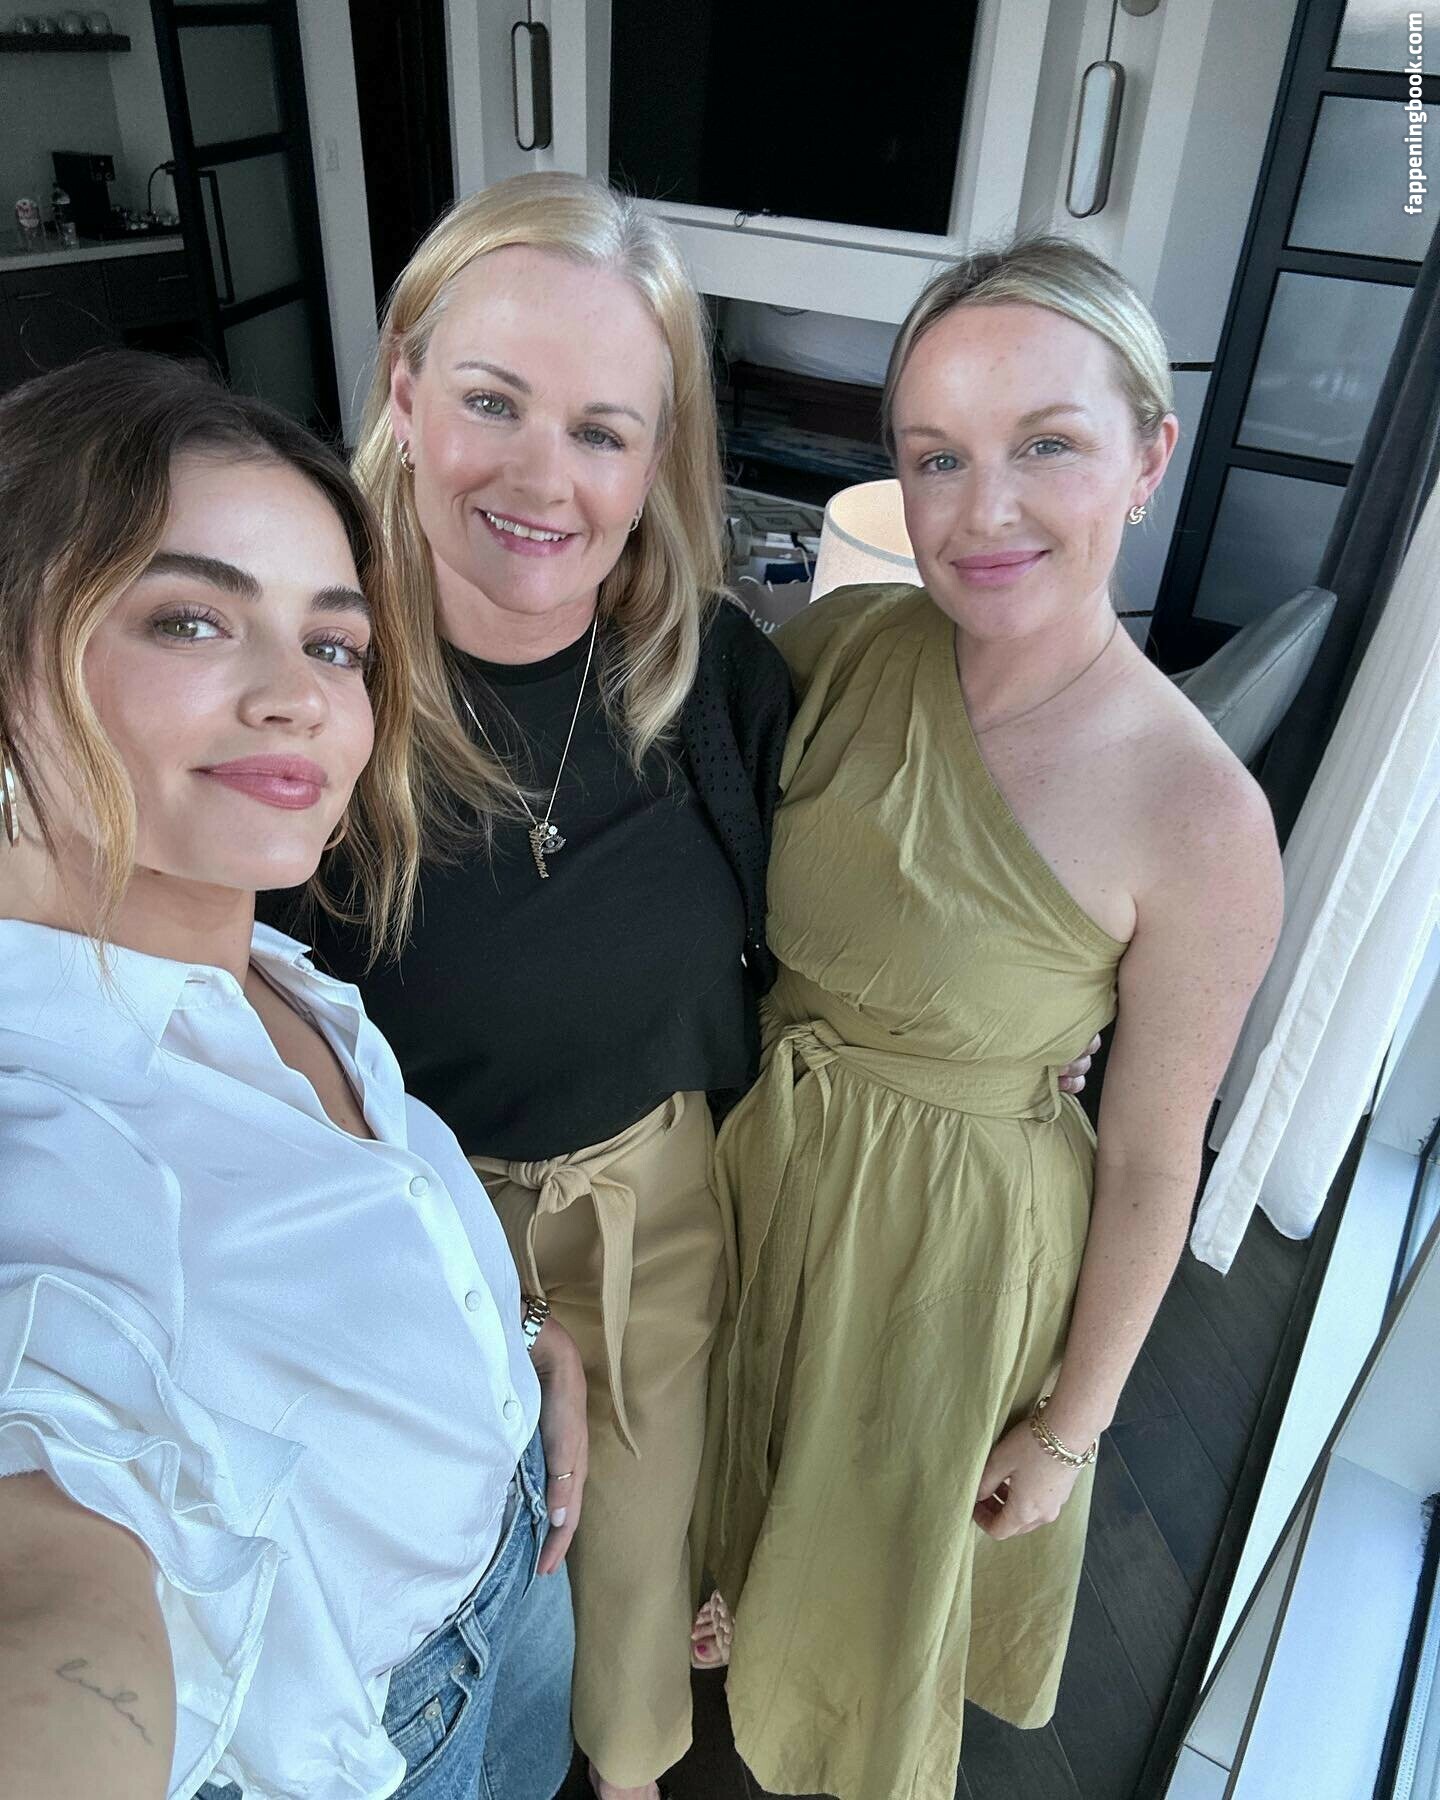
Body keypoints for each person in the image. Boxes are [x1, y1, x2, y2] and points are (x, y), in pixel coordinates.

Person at [701, 238, 1285, 1800]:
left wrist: (1071, 1430)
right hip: (759, 1173)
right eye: (937, 457)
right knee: (740, 1498)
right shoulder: (838, 649)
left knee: (869, 1572)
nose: (984, 511)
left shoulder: (1200, 817)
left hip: (948, 1256)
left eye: (1048, 446)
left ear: (1148, 459)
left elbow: (1154, 1160)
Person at [0, 351, 583, 1800]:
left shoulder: (250, 954)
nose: (300, 699)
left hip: (522, 1568)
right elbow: (56, 1609)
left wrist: (510, 1346)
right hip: (383, 1736)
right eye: (191, 619)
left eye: (332, 644)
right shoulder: (43, 1129)